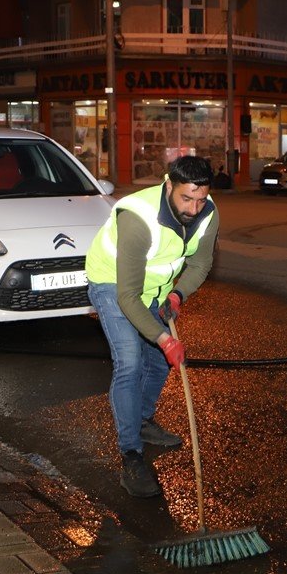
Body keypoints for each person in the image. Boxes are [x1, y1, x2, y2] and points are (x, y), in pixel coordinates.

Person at [85, 156, 219, 497]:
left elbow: (201, 263)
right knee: (129, 362)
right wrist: (163, 337)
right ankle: (131, 456)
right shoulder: (138, 216)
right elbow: (128, 295)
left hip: (157, 289)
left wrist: (177, 295)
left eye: (200, 198)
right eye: (186, 198)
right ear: (169, 185)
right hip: (113, 286)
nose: (193, 207)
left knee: (158, 362)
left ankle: (142, 419)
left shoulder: (208, 213)